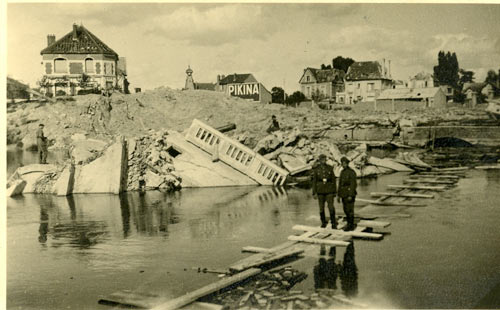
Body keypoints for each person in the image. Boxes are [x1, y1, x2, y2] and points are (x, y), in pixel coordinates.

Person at [312, 154, 337, 228]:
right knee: (321, 208)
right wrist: (314, 193)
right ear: (319, 160)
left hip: (329, 190)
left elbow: (333, 180)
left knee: (331, 207)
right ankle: (323, 222)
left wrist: (335, 191)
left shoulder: (330, 168)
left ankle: (333, 223)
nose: (323, 160)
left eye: (324, 159)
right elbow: (314, 182)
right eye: (321, 159)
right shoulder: (316, 169)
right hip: (320, 191)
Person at [337, 157, 357, 231]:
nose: (343, 165)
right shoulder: (342, 172)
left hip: (349, 194)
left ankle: (351, 225)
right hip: (343, 194)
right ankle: (349, 223)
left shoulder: (351, 172)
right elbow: (340, 184)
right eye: (342, 163)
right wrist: (338, 195)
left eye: (345, 163)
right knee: (345, 209)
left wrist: (350, 195)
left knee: (350, 210)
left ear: (347, 163)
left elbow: (353, 185)